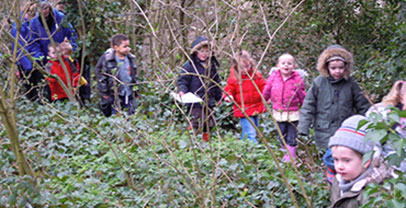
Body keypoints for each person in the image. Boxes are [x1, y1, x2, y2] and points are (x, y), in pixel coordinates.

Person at [297, 45, 370, 182]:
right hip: (324, 129)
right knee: (330, 157)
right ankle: (333, 181)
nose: (337, 71)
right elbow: (308, 105)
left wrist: (370, 124)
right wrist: (303, 128)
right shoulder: (319, 83)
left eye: (341, 68)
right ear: (326, 67)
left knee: (341, 157)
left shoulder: (350, 83)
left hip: (345, 130)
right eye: (333, 68)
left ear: (346, 67)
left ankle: (342, 180)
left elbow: (362, 105)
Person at [329, 115, 392, 207]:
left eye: (346, 160)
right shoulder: (337, 181)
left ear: (366, 161)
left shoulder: (374, 191)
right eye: (336, 159)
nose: (339, 166)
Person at [177, 36, 222, 142]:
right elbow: (183, 80)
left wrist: (219, 97)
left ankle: (206, 143)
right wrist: (182, 91)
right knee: (197, 121)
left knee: (209, 123)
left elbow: (216, 82)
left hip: (209, 100)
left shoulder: (211, 65)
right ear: (196, 52)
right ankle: (193, 141)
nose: (204, 54)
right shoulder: (189, 66)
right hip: (195, 100)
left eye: (207, 51)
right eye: (201, 51)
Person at [263, 53, 306, 162]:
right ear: (278, 65)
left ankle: (291, 158)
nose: (286, 66)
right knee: (282, 134)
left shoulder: (297, 79)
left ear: (294, 66)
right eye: (283, 63)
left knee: (292, 135)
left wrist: (305, 107)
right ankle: (284, 154)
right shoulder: (273, 77)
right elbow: (267, 89)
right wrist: (264, 100)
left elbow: (301, 94)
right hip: (279, 111)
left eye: (289, 63)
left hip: (293, 113)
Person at [223, 50, 267, 143]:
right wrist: (228, 96)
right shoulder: (234, 78)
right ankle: (253, 151)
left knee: (254, 130)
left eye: (247, 66)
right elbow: (229, 88)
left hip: (255, 107)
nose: (245, 70)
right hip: (244, 109)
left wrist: (267, 96)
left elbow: (263, 86)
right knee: (251, 132)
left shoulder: (256, 75)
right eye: (242, 68)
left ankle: (243, 146)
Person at [95, 34, 138, 117]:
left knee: (130, 115)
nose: (128, 49)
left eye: (128, 46)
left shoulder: (130, 58)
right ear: (116, 47)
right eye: (124, 47)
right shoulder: (107, 59)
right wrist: (105, 92)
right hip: (114, 94)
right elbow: (101, 75)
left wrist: (136, 90)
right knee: (115, 115)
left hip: (128, 93)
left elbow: (133, 75)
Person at [10, 1, 39, 101]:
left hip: (34, 61)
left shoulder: (32, 23)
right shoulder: (19, 26)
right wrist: (28, 66)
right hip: (26, 64)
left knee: (37, 90)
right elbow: (19, 48)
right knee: (31, 91)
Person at [60, 39, 89, 106]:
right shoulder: (60, 61)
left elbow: (76, 73)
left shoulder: (71, 61)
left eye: (68, 55)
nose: (66, 56)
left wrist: (83, 81)